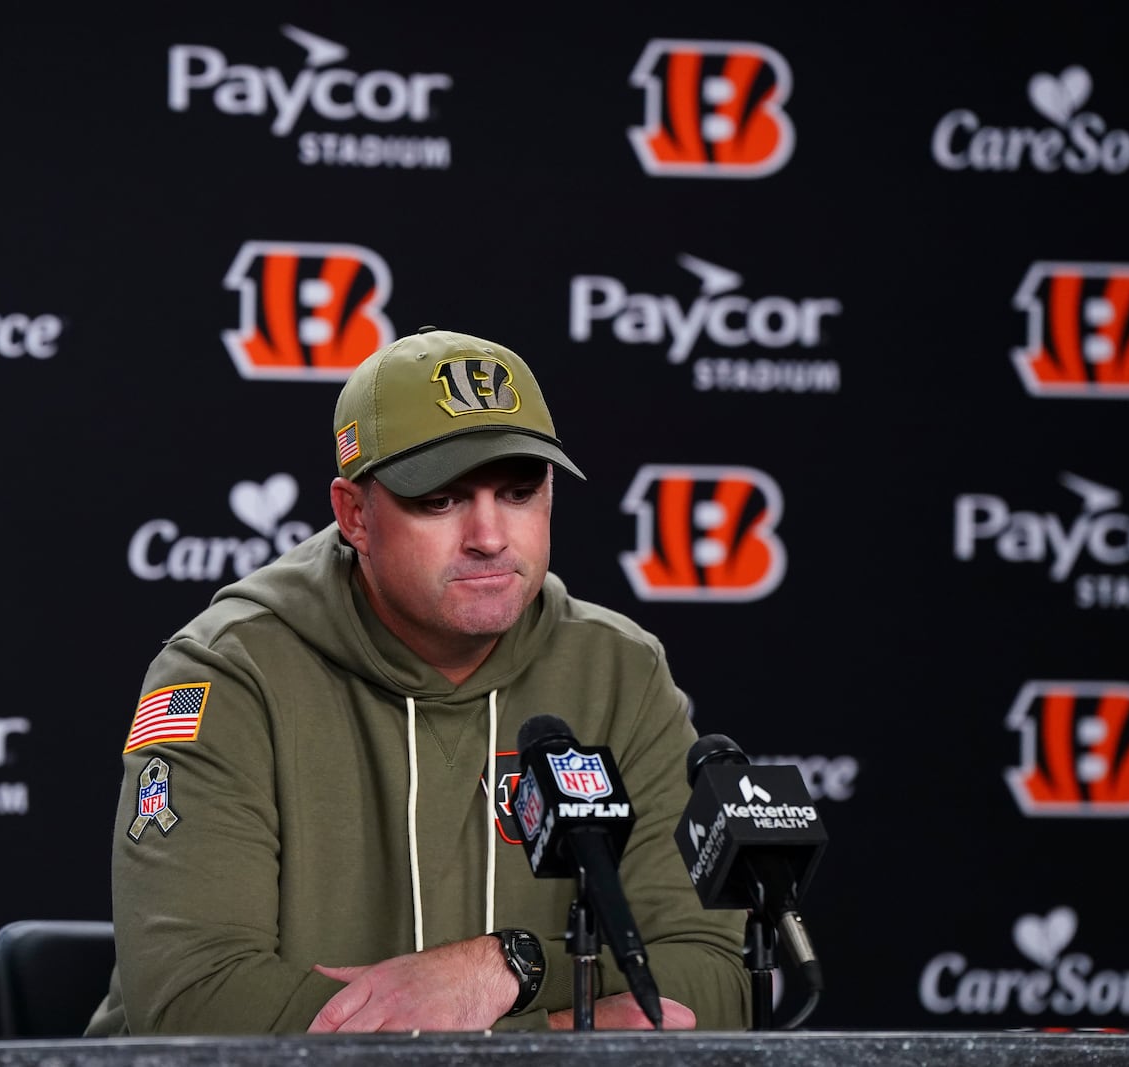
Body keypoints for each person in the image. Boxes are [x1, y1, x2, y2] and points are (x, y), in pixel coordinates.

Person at [85, 327, 750, 1034]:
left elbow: (719, 972)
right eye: (440, 499)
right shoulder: (230, 672)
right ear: (355, 515)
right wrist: (555, 1034)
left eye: (520, 491)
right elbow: (196, 1002)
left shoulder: (619, 670)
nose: (490, 535)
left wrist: (507, 968)